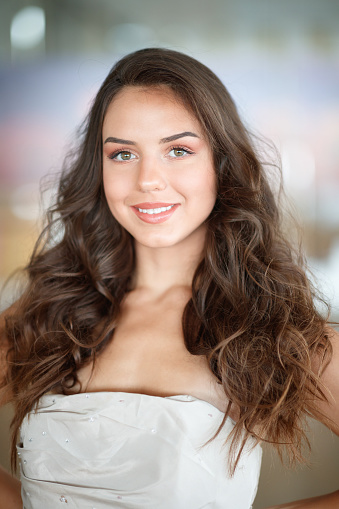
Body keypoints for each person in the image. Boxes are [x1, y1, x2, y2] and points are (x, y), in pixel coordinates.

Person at [0, 47, 338, 509]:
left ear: (221, 163)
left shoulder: (272, 326)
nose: (148, 180)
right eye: (122, 154)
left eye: (178, 150)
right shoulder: (51, 310)